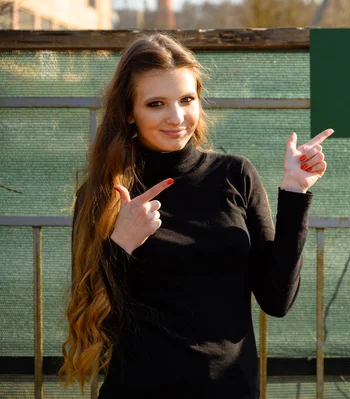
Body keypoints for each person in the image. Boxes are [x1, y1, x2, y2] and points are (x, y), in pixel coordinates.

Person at [59, 33, 333, 398]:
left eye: (187, 100)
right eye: (156, 103)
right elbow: (98, 322)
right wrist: (121, 243)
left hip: (231, 390)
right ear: (128, 111)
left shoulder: (236, 175)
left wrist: (295, 192)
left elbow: (277, 299)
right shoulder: (105, 194)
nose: (176, 117)